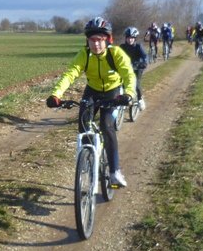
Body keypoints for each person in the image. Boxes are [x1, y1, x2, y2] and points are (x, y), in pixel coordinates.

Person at [45, 17, 136, 188]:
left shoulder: (115, 54)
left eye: (100, 40)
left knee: (106, 125)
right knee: (83, 124)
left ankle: (115, 171)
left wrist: (129, 94)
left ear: (107, 40)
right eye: (92, 40)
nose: (96, 44)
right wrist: (56, 94)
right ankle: (87, 159)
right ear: (87, 41)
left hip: (113, 92)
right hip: (92, 90)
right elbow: (70, 74)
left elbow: (128, 74)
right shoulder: (84, 54)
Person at [119, 27, 148, 111]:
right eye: (128, 38)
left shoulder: (138, 47)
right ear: (126, 38)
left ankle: (140, 99)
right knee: (121, 84)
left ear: (135, 38)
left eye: (132, 38)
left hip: (137, 67)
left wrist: (144, 63)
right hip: (126, 68)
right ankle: (123, 99)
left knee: (136, 84)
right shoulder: (122, 47)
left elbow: (145, 56)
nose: (130, 40)